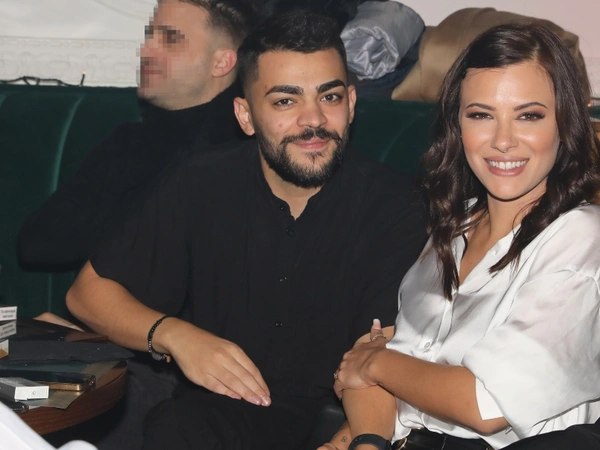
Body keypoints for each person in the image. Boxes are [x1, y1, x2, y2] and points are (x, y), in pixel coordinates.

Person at [66, 10, 426, 450]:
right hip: (196, 407)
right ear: (245, 115)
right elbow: (88, 293)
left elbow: (382, 357)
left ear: (351, 104)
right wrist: (175, 335)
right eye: (285, 101)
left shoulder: (396, 206)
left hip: (322, 420)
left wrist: (355, 440)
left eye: (329, 97)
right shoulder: (202, 180)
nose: (313, 121)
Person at [326, 23, 600, 450]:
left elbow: (486, 404)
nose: (503, 141)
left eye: (528, 115)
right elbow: (383, 373)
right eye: (481, 115)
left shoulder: (580, 237)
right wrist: (358, 439)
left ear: (565, 124)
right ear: (457, 125)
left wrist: (377, 362)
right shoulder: (454, 226)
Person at [17, 0, 258, 270]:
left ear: (222, 62)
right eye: (149, 37)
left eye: (171, 39)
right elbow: (38, 244)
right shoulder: (131, 141)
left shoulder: (253, 147)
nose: (146, 51)